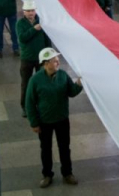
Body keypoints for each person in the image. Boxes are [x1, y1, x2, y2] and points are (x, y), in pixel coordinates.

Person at [26, 48, 84, 188]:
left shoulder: (63, 75)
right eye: (54, 60)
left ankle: (67, 173)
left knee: (65, 147)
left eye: (57, 59)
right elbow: (29, 103)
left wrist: (79, 84)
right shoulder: (35, 80)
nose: (58, 62)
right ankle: (47, 175)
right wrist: (34, 123)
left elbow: (71, 92)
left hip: (62, 119)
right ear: (45, 63)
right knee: (46, 149)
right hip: (44, 122)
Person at [17, 0, 51, 118]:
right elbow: (22, 38)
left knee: (41, 83)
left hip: (40, 59)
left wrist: (49, 55)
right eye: (28, 11)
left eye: (32, 11)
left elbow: (47, 39)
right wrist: (34, 29)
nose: (31, 13)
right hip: (27, 58)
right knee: (26, 84)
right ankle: (25, 107)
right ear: (24, 12)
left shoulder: (41, 22)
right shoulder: (20, 24)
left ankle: (40, 105)